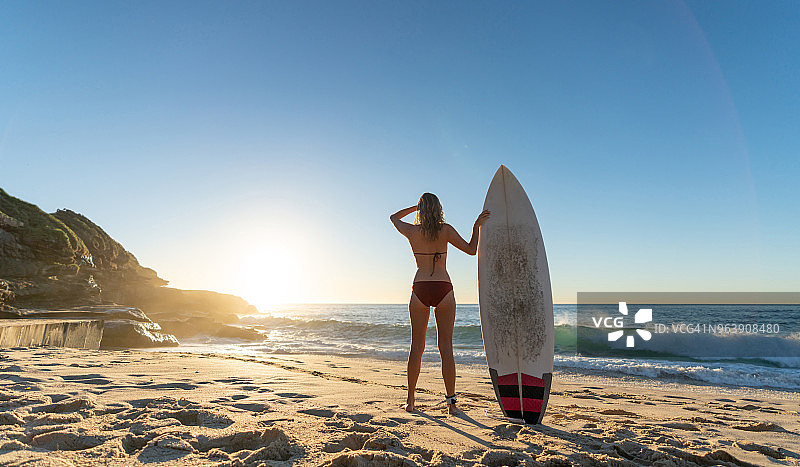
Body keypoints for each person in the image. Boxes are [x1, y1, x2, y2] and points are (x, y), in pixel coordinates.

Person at [390, 193, 490, 414]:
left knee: (417, 348)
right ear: (439, 208)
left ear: (421, 209)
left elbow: (393, 217)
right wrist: (476, 227)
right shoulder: (445, 229)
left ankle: (410, 401)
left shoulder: (412, 232)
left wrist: (415, 208)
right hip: (443, 287)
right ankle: (451, 404)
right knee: (446, 348)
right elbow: (472, 250)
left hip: (420, 288)